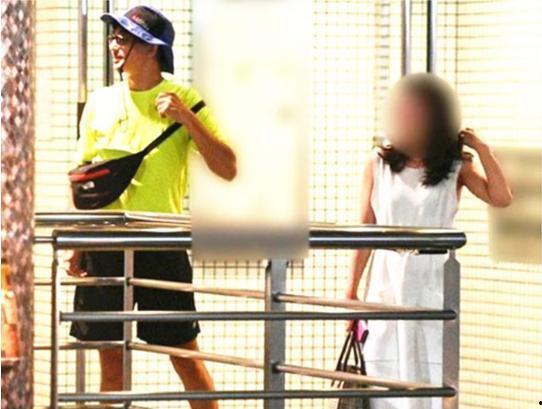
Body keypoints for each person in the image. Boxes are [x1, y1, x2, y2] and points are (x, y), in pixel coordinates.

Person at [67, 5, 237, 409]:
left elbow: (228, 168)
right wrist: (79, 242)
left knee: (185, 357)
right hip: (106, 246)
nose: (114, 45)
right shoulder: (100, 102)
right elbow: (82, 179)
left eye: (124, 39)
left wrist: (186, 118)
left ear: (151, 48)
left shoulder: (185, 98)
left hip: (162, 245)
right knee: (111, 363)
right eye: (114, 37)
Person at [344, 73, 512, 409]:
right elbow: (366, 227)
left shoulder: (454, 168)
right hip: (388, 273)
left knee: (430, 362)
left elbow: (501, 197)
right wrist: (351, 291)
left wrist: (482, 149)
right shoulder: (378, 164)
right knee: (383, 361)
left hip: (431, 273)